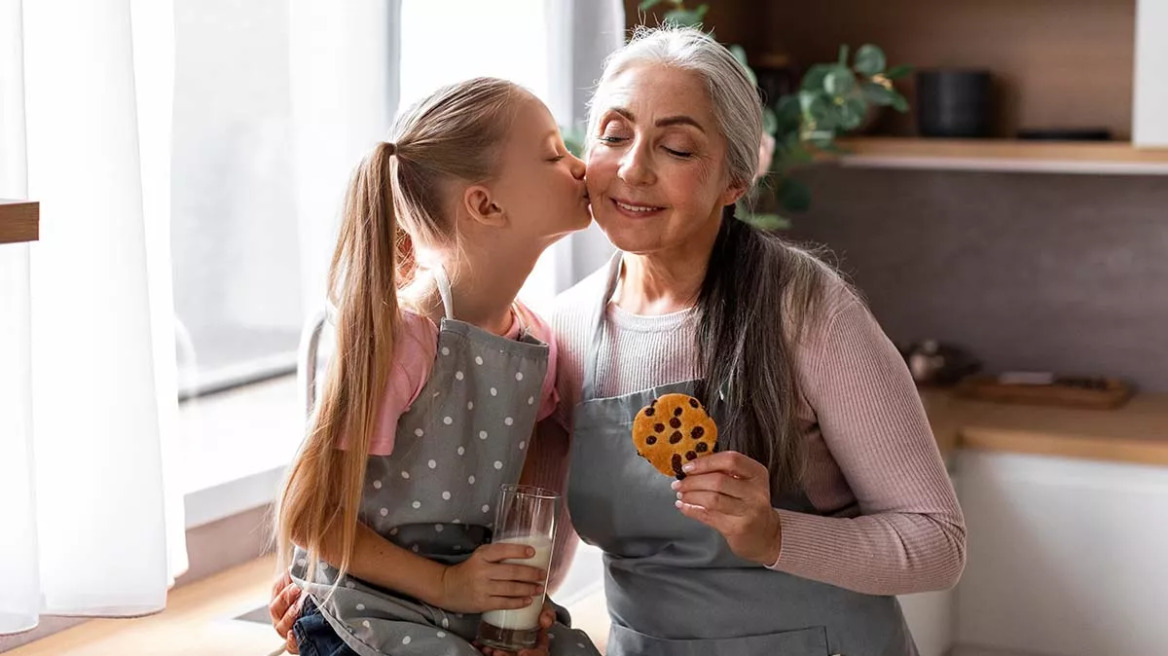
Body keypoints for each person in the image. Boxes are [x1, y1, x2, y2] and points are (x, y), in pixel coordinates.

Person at [275, 26, 966, 656]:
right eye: (611, 135)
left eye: (675, 146)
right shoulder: (561, 334)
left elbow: (937, 545)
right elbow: (527, 544)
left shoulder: (807, 309)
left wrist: (776, 536)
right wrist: (342, 596)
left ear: (735, 177)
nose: (632, 169)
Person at [272, 77, 601, 656]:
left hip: (464, 606)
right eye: (554, 154)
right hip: (367, 604)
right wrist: (448, 585)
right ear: (486, 204)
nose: (581, 166)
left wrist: (519, 611)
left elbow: (517, 512)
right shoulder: (398, 339)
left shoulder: (535, 342)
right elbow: (308, 515)